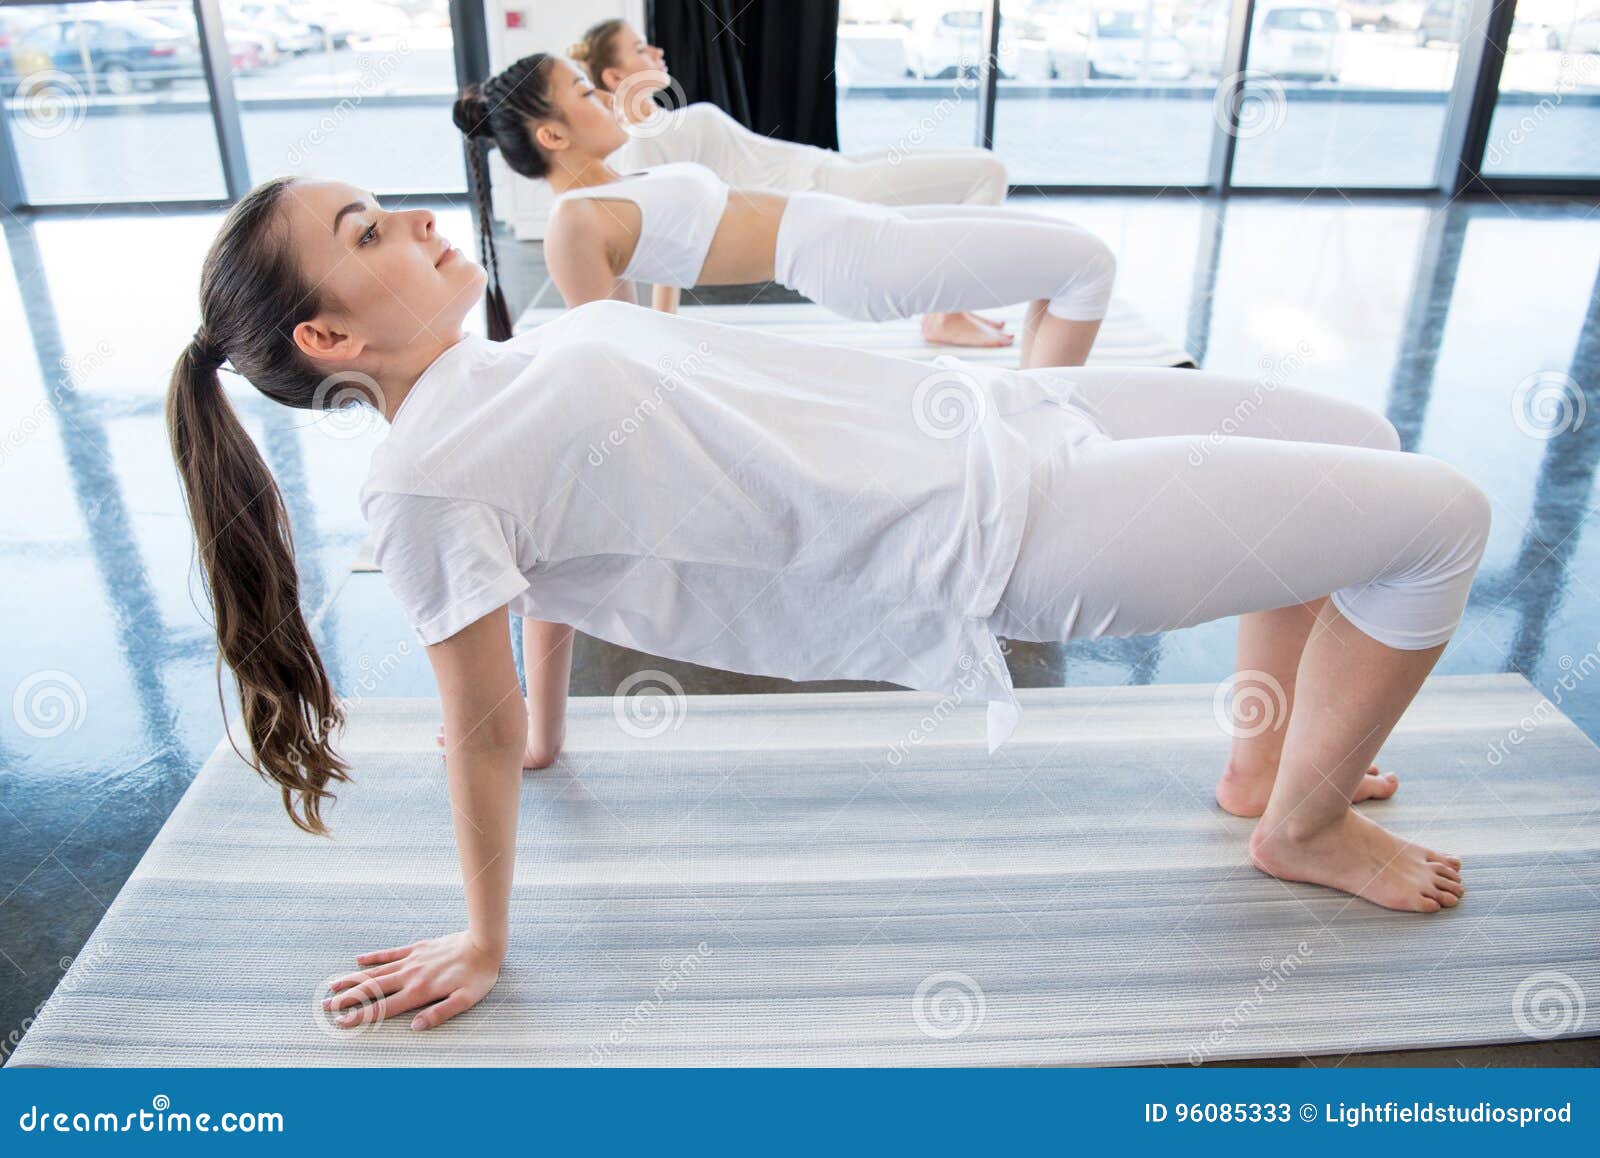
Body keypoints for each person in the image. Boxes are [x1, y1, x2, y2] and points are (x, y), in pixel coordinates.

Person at [167, 176, 1482, 1032]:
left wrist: (560, 724)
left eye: (383, 207)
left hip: (1014, 415)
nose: (411, 220)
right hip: (1006, 527)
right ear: (329, 340)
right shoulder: (425, 479)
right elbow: (475, 718)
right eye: (368, 235)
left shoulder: (493, 373)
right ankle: (1304, 828)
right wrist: (486, 931)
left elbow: (547, 575)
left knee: (1364, 438)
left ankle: (1264, 761)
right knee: (1442, 523)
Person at [453, 55, 1117, 369]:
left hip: (853, 228)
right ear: (552, 136)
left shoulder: (622, 180)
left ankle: (1030, 423)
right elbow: (612, 351)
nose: (605, 99)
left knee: (1064, 249)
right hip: (856, 262)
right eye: (584, 94)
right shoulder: (575, 221)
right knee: (1088, 265)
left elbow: (657, 282)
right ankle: (1039, 451)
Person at [570, 17, 1017, 349]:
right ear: (615, 77)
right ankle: (946, 314)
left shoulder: (663, 122)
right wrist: (661, 334)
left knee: (975, 175)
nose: (657, 53)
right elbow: (666, 242)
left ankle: (947, 307)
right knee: (988, 171)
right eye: (641, 50)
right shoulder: (644, 144)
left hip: (834, 168)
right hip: (827, 191)